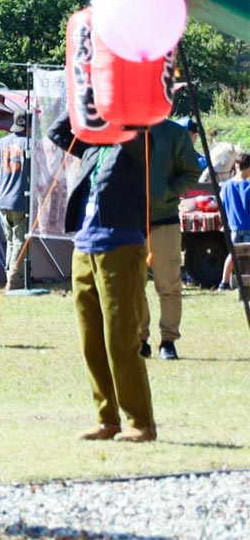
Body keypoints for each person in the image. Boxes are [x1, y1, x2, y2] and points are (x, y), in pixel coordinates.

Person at [48, 115, 156, 442]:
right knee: (91, 341)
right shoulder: (94, 143)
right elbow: (57, 132)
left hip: (120, 246)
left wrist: (118, 107)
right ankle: (106, 419)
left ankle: (141, 422)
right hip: (84, 246)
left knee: (120, 339)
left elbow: (140, 139)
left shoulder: (138, 140)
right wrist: (83, 98)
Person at [138, 120, 202, 361]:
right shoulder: (124, 127)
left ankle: (168, 340)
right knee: (133, 285)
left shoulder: (174, 133)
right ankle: (139, 338)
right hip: (130, 222)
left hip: (164, 220)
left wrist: (166, 191)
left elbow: (191, 171)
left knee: (169, 284)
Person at [0, 112, 36, 290]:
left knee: (10, 241)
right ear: (30, 126)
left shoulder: (1, 143)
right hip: (21, 199)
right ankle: (14, 279)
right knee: (20, 240)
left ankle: (9, 276)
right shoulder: (31, 144)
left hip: (2, 200)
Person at [217, 147, 249, 289]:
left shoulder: (226, 186)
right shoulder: (248, 186)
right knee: (247, 257)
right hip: (248, 227)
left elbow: (222, 206)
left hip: (234, 227)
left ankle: (223, 283)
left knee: (233, 255)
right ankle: (245, 283)